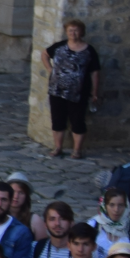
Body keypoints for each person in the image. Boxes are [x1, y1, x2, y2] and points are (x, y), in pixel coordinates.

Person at [43, 18, 100, 159]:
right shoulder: (59, 46)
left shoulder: (89, 50)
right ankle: (58, 148)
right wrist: (50, 69)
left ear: (81, 32)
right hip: (57, 90)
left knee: (78, 120)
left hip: (78, 92)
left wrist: (95, 91)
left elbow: (95, 72)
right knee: (57, 120)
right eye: (70, 30)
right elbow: (44, 54)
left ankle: (77, 150)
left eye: (76, 30)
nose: (73, 33)